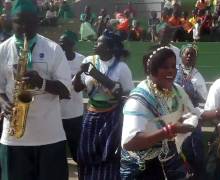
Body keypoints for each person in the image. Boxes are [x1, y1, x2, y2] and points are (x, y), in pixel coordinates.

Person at [0, 0, 72, 180]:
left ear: (38, 21)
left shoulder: (53, 49)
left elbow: (66, 91)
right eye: (19, 21)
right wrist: (3, 103)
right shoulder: (3, 50)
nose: (24, 26)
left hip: (50, 137)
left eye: (29, 21)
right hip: (14, 138)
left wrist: (41, 82)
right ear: (11, 21)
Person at [120, 46, 210, 179]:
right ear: (152, 69)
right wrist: (170, 130)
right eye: (165, 67)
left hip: (168, 159)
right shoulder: (138, 100)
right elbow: (130, 143)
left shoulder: (176, 90)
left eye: (173, 66)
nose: (171, 71)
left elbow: (195, 112)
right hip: (141, 167)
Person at [73, 30, 134, 180]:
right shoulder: (89, 60)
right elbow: (77, 87)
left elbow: (127, 95)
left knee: (108, 155)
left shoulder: (121, 67)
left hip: (112, 117)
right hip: (92, 115)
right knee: (85, 153)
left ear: (109, 48)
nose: (95, 43)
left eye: (99, 42)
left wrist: (95, 74)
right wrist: (79, 72)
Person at [174, 44, 207, 179]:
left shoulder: (198, 76)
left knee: (195, 147)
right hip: (174, 114)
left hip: (191, 114)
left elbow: (204, 98)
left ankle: (195, 174)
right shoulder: (173, 71)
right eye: (186, 53)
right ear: (181, 55)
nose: (189, 56)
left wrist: (192, 93)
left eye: (192, 54)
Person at [59, 31, 85, 163]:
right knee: (58, 153)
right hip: (58, 113)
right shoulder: (57, 59)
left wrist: (77, 77)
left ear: (72, 43)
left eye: (64, 41)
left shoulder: (81, 60)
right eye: (60, 41)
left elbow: (81, 86)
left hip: (75, 113)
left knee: (77, 152)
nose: (61, 44)